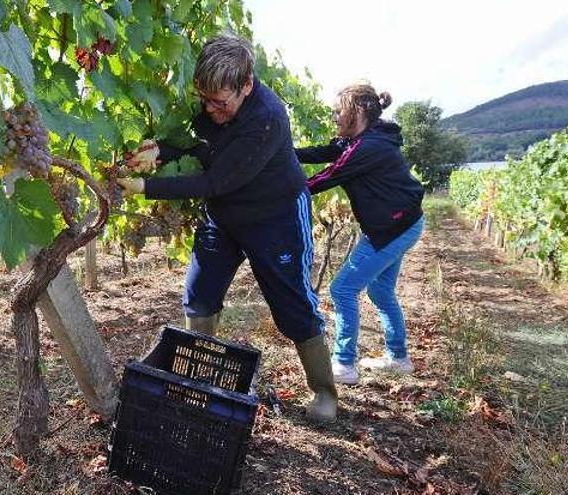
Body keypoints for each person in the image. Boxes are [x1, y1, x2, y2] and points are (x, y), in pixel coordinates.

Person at [116, 35, 337, 422]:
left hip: (275, 217)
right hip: (224, 217)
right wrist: (160, 152)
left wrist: (146, 188)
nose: (210, 110)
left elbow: (214, 181)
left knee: (292, 305)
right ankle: (197, 381)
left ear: (246, 85)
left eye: (220, 103)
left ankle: (324, 392)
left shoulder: (266, 118)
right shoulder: (213, 101)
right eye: (205, 99)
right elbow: (196, 143)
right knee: (199, 294)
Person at [296, 83, 425, 385]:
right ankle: (398, 358)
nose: (334, 116)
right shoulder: (357, 140)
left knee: (342, 289)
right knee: (380, 291)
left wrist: (288, 187)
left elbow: (328, 176)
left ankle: (344, 364)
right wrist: (282, 154)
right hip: (402, 223)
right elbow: (324, 151)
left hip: (393, 228)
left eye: (339, 111)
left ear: (358, 111)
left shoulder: (369, 147)